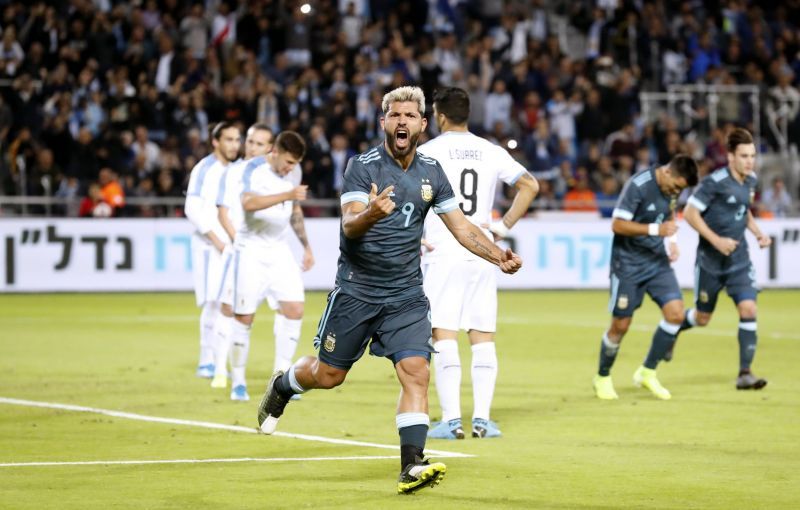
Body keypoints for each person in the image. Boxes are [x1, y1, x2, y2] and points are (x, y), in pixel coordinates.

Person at [256, 86, 523, 494]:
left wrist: (497, 256)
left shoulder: (432, 171)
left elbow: (463, 227)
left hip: (406, 295)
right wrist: (370, 213)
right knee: (328, 376)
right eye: (394, 115)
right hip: (357, 292)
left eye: (410, 116)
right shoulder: (362, 167)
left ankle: (411, 464)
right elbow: (348, 226)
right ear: (383, 122)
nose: (402, 121)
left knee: (416, 372)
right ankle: (284, 385)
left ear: (422, 123)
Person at [417, 86, 539, 440]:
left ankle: (452, 420)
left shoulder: (428, 152)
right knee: (482, 335)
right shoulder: (490, 150)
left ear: (439, 116)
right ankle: (483, 420)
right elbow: (529, 185)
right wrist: (500, 229)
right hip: (483, 249)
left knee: (444, 332)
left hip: (444, 247)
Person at [593, 154, 698, 401]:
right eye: (676, 187)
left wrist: (671, 241)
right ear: (668, 172)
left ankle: (647, 372)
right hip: (627, 264)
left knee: (676, 314)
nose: (677, 192)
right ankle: (603, 376)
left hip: (656, 261)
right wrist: (656, 230)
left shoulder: (672, 189)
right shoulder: (638, 185)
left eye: (681, 190)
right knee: (620, 326)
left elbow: (669, 215)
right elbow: (617, 225)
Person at [222, 130, 311, 403]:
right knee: (244, 317)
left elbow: (294, 210)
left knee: (294, 308)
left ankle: (281, 377)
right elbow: (248, 203)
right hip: (251, 250)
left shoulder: (292, 175)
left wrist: (306, 247)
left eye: (294, 164)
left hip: (279, 248)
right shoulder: (253, 168)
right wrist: (287, 194)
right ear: (274, 152)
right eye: (287, 162)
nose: (290, 168)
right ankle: (238, 381)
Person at [679, 128, 772, 390]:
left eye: (752, 155)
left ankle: (745, 373)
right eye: (744, 156)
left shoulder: (750, 180)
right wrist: (716, 240)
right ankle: (673, 328)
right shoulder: (713, 182)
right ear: (730, 156)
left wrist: (758, 234)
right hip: (710, 261)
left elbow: (744, 211)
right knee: (702, 318)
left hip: (738, 260)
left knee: (749, 309)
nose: (749, 161)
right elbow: (689, 213)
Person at [210, 123, 274, 398]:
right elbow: (223, 213)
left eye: (259, 144)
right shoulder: (233, 172)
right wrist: (239, 241)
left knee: (288, 309)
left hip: (270, 254)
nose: (251, 147)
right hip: (241, 251)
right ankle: (222, 371)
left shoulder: (275, 174)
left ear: (270, 148)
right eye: (250, 142)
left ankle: (280, 376)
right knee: (229, 309)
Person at [183, 121, 241, 379]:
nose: (234, 144)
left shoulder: (236, 170)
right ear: (216, 142)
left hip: (230, 245)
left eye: (237, 139)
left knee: (227, 303)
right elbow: (191, 208)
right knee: (213, 301)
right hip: (209, 245)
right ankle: (206, 360)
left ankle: (217, 360)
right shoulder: (204, 169)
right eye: (228, 139)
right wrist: (216, 239)